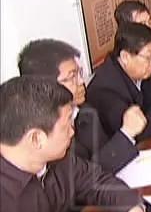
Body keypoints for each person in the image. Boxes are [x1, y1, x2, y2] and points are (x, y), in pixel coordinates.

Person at [0, 76, 151, 212]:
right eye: (67, 124)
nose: (73, 131)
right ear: (36, 139)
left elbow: (97, 181)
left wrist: (133, 211)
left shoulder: (60, 160)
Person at [17, 39, 143, 173]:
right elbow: (82, 178)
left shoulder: (85, 111)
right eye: (72, 77)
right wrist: (126, 134)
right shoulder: (43, 135)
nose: (81, 81)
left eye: (80, 73)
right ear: (45, 87)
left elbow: (103, 158)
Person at [86, 23, 151, 140]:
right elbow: (134, 130)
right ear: (125, 57)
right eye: (148, 57)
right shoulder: (105, 90)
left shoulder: (141, 71)